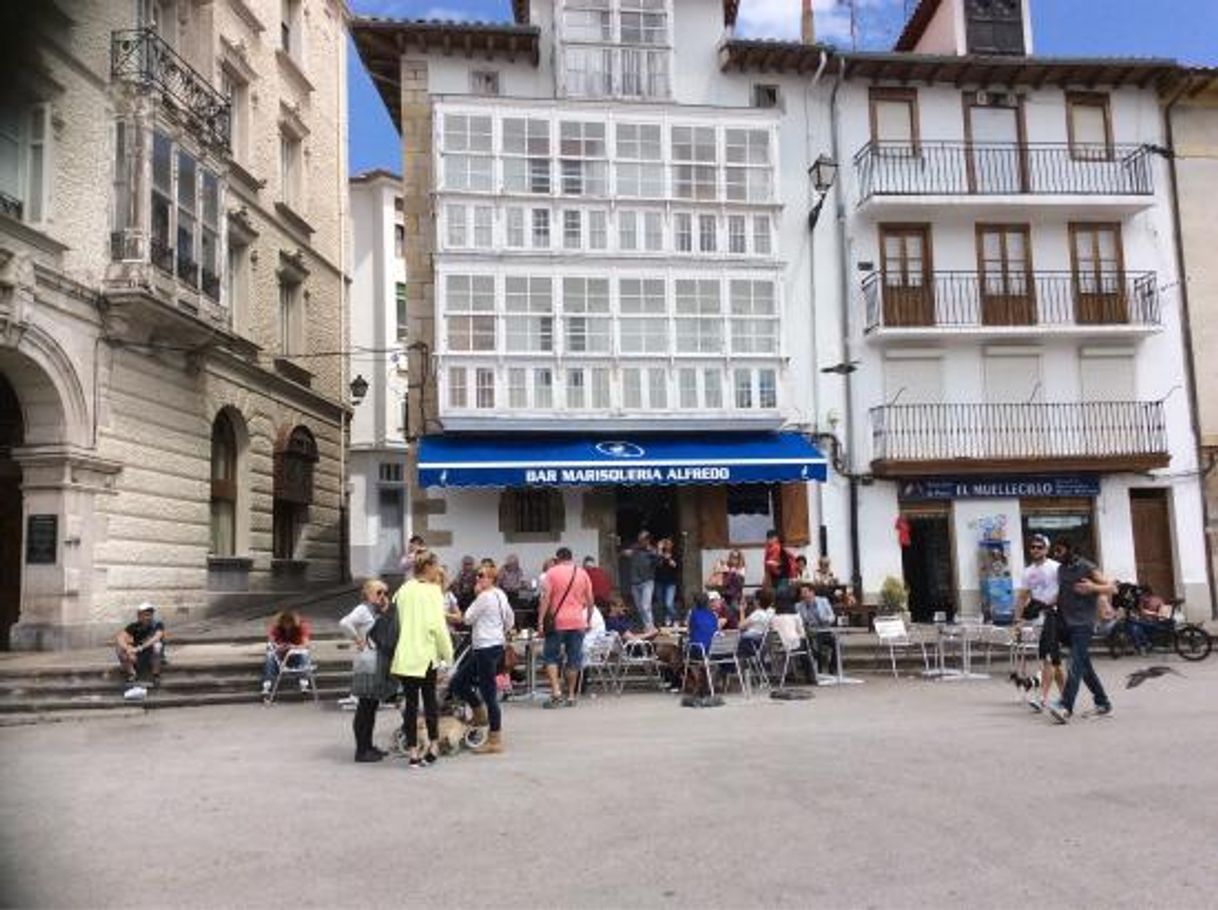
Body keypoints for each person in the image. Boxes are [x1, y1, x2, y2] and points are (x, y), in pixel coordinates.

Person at [392, 550, 455, 767]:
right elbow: (438, 627)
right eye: (436, 565)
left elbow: (399, 619)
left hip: (405, 654)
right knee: (429, 703)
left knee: (410, 705)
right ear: (428, 567)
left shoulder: (403, 590)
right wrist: (449, 655)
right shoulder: (432, 592)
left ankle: (412, 752)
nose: (438, 569)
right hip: (425, 654)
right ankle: (433, 746)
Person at [1048, 538, 1115, 724]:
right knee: (1085, 668)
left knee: (1074, 665)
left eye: (1059, 551)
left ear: (1070, 550)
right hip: (1067, 624)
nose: (1056, 555)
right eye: (1054, 551)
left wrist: (1093, 587)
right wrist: (1048, 604)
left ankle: (1065, 707)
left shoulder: (1087, 567)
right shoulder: (1061, 569)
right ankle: (1103, 703)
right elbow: (1063, 592)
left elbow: (1112, 587)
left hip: (1084, 625)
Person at [449, 563, 513, 754]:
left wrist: (477, 595)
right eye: (477, 576)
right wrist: (498, 630)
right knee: (459, 681)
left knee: (488, 693)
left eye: (482, 576)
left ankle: (495, 739)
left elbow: (467, 618)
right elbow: (510, 619)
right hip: (493, 645)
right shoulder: (501, 595)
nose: (478, 579)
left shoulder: (484, 597)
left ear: (492, 578)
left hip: (485, 647)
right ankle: (479, 714)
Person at [338, 579, 396, 763]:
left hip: (378, 662)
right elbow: (344, 623)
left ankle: (368, 746)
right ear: (368, 594)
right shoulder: (363, 609)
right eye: (379, 593)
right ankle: (361, 750)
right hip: (369, 663)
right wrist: (357, 639)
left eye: (385, 593)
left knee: (371, 708)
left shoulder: (377, 611)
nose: (383, 596)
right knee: (365, 707)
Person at [537, 546, 595, 709]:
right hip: (577, 622)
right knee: (573, 659)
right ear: (571, 557)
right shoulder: (582, 573)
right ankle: (570, 695)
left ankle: (556, 692)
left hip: (557, 622)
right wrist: (588, 620)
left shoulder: (552, 573)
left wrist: (541, 621)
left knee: (550, 657)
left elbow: (546, 599)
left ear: (557, 558)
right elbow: (590, 600)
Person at [1014, 534, 1064, 712]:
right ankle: (1066, 697)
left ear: (1047, 549)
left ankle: (1041, 697)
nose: (1035, 550)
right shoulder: (1028, 572)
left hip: (1054, 616)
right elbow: (1023, 596)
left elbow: (1064, 590)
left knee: (1048, 657)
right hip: (1037, 618)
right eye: (1033, 547)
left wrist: (1053, 603)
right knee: (1053, 659)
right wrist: (1018, 620)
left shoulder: (1056, 568)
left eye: (1039, 547)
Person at [261, 609, 311, 700]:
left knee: (304, 654)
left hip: (295, 657)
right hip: (280, 658)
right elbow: (270, 643)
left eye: (289, 622)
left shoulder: (301, 626)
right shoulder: (276, 628)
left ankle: (304, 683)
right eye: (285, 623)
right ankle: (267, 685)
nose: (287, 625)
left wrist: (293, 647)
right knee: (269, 655)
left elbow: (306, 644)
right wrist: (278, 647)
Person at [115, 603, 165, 686]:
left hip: (152, 655)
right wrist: (128, 648)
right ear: (139, 615)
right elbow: (119, 637)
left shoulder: (158, 625)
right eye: (145, 615)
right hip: (138, 655)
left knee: (157, 645)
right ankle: (132, 674)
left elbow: (157, 637)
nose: (148, 617)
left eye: (150, 615)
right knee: (119, 648)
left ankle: (156, 675)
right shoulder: (134, 626)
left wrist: (139, 648)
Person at [771, 598, 816, 684]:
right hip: (792, 645)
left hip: (779, 646)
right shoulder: (795, 616)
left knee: (804, 645)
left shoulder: (774, 617)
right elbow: (802, 633)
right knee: (807, 646)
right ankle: (810, 676)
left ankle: (792, 673)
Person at [622, 531, 659, 630]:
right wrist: (626, 552)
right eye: (639, 539)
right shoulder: (635, 548)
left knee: (645, 606)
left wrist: (658, 554)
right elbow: (625, 552)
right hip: (635, 583)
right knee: (640, 608)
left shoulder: (652, 551)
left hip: (647, 582)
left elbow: (658, 563)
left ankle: (651, 627)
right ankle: (646, 626)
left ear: (647, 540)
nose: (640, 541)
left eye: (642, 539)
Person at [797, 583, 836, 676]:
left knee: (836, 643)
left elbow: (832, 616)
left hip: (824, 630)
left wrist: (827, 619)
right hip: (810, 632)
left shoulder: (823, 601)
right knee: (814, 643)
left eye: (805, 592)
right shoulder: (799, 606)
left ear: (812, 592)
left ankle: (832, 667)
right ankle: (818, 669)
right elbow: (799, 621)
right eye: (802, 593)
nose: (804, 595)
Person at [654, 538, 680, 626]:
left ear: (672, 544)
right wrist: (659, 551)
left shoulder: (675, 554)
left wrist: (668, 559)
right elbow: (656, 564)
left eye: (669, 543)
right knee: (661, 603)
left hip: (671, 582)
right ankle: (666, 619)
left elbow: (675, 565)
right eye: (665, 543)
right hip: (659, 581)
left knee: (669, 603)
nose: (667, 545)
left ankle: (676, 618)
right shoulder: (659, 554)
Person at [764, 530, 797, 596]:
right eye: (768, 538)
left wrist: (769, 565)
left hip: (781, 577)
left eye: (771, 538)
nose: (768, 540)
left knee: (780, 596)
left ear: (776, 538)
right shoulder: (775, 548)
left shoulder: (775, 548)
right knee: (779, 595)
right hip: (779, 576)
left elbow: (772, 563)